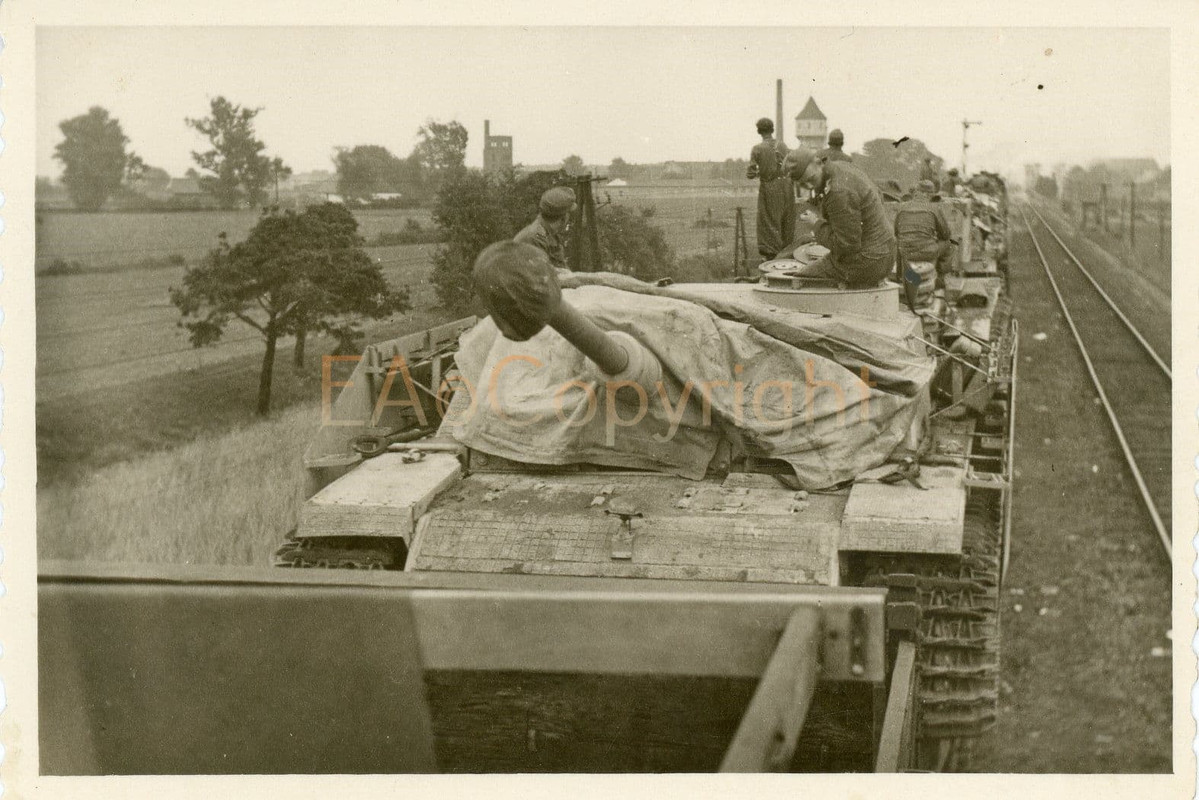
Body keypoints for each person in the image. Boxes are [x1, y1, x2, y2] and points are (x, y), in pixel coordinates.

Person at [782, 147, 897, 288]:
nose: (810, 187)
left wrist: (816, 224)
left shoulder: (838, 192)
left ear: (818, 162)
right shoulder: (841, 168)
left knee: (801, 276)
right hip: (886, 253)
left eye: (811, 179)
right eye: (803, 184)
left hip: (868, 261)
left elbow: (847, 246)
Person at [746, 117, 795, 260]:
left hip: (770, 186)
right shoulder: (783, 145)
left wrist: (760, 171)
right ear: (772, 129)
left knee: (768, 221)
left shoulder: (757, 149)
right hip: (787, 186)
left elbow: (750, 173)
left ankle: (773, 258)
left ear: (759, 131)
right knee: (787, 220)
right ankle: (787, 252)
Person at [894, 179, 955, 289]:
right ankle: (940, 279)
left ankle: (899, 277)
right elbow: (946, 234)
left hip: (905, 252)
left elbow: (896, 232)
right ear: (930, 195)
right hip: (926, 252)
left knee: (899, 242)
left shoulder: (901, 207)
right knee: (948, 244)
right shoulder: (934, 208)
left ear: (916, 192)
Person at [514, 186, 576, 270]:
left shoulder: (550, 234)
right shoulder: (534, 238)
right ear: (564, 217)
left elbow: (562, 270)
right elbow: (547, 277)